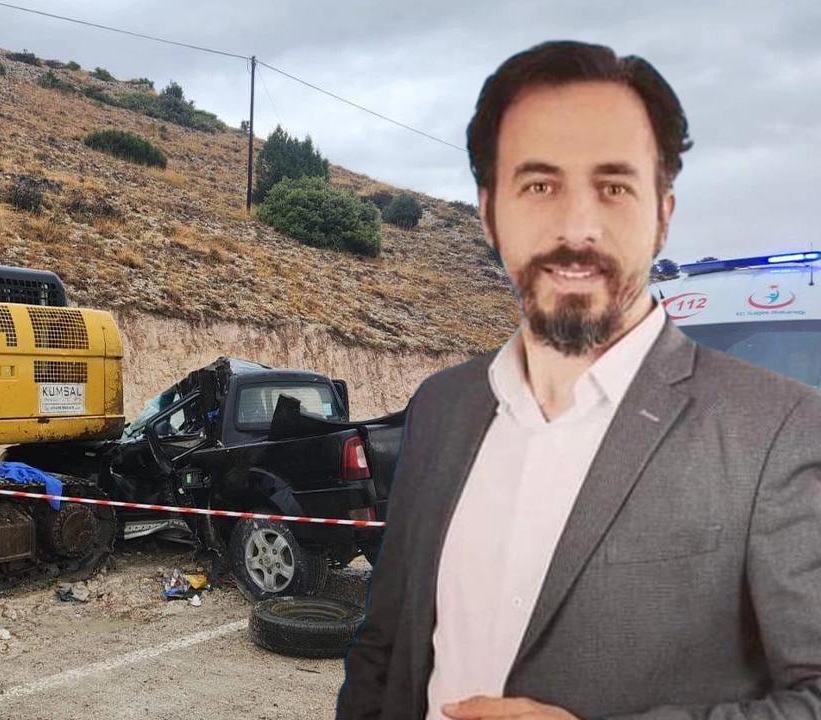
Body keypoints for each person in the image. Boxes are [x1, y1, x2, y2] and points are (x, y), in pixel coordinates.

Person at [336, 40, 821, 720]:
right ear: (489, 213)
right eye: (539, 186)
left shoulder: (778, 430)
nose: (577, 227)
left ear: (663, 215)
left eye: (614, 187)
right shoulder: (442, 405)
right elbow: (385, 646)